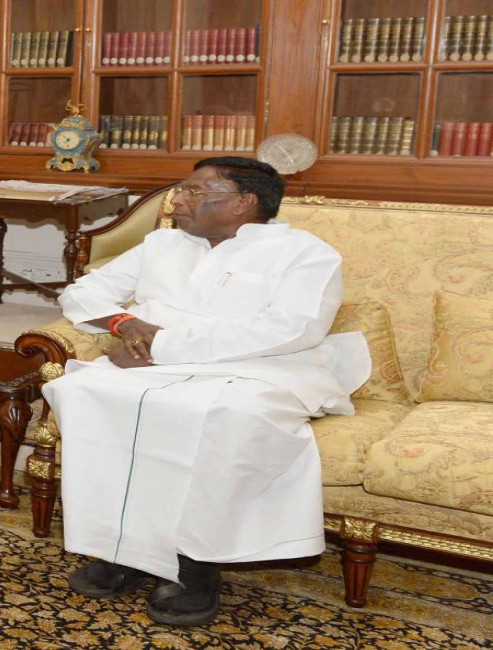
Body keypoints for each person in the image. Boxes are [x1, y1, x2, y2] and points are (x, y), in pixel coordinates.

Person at [42, 157, 369, 625]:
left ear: (243, 202)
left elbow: (292, 329)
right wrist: (124, 323)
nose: (177, 200)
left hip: (259, 368)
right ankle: (124, 548)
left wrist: (162, 348)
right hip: (152, 362)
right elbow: (81, 292)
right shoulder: (162, 243)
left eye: (195, 191)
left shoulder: (305, 253)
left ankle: (194, 563)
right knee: (83, 392)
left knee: (226, 417)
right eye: (182, 188)